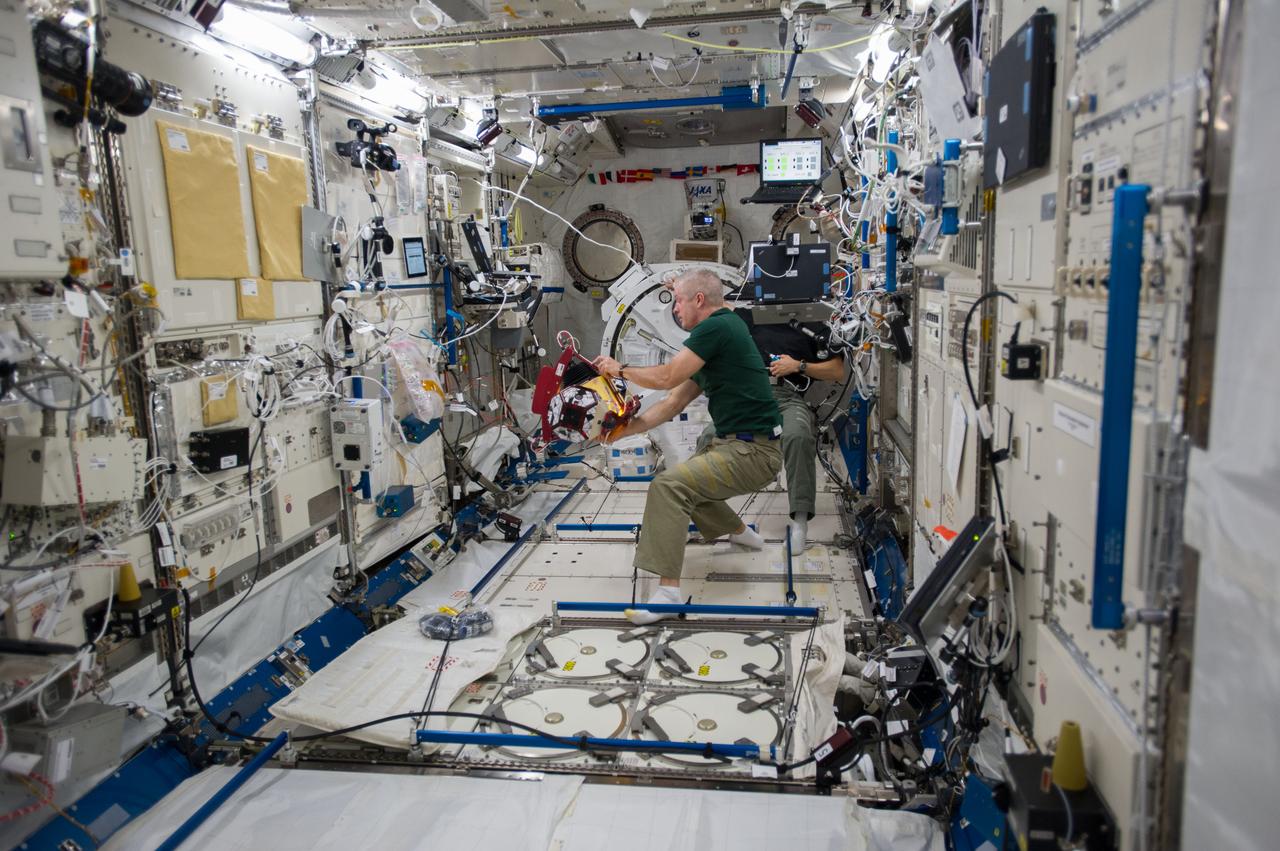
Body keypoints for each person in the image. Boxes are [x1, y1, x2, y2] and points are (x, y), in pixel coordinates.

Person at [593, 268, 782, 624]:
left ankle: (668, 595)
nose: (674, 309)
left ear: (699, 300)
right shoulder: (723, 333)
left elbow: (667, 376)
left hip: (753, 453)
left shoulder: (717, 327)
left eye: (678, 300)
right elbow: (671, 403)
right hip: (743, 446)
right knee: (686, 478)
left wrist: (620, 370)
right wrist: (622, 431)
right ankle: (743, 535)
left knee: (669, 486)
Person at [739, 313, 845, 552]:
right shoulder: (748, 316)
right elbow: (714, 305)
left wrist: (799, 366)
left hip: (786, 396)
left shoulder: (814, 323)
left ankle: (799, 524)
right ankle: (724, 523)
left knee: (798, 435)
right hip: (746, 396)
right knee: (709, 436)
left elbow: (837, 371)